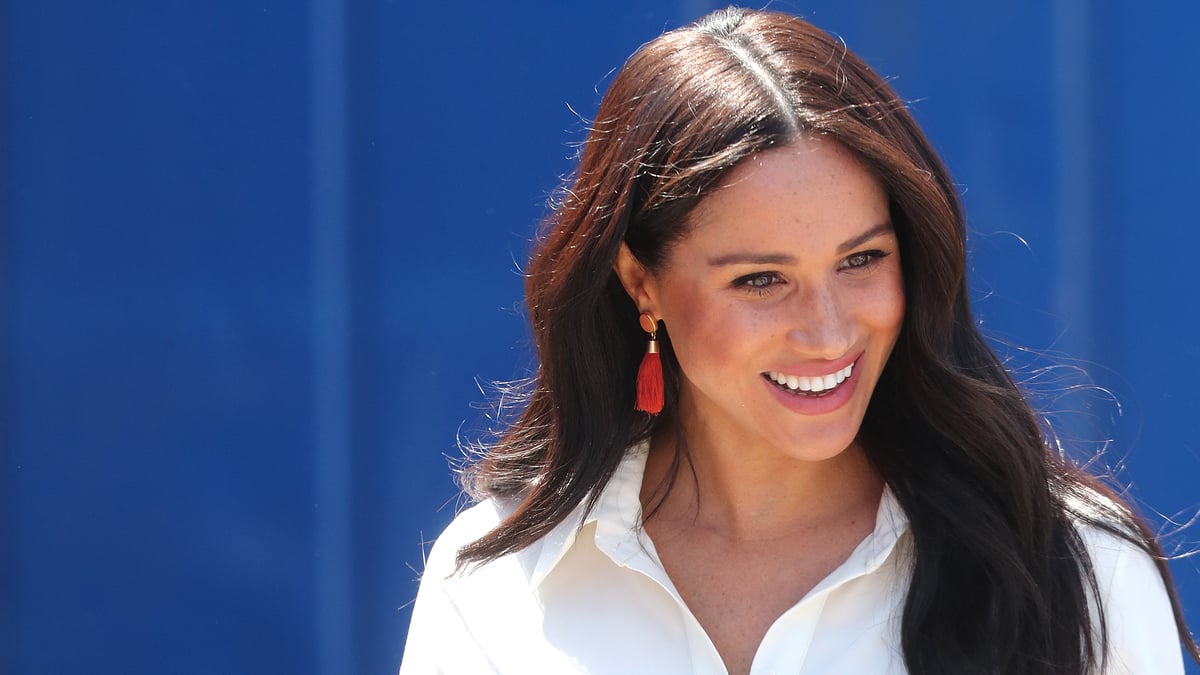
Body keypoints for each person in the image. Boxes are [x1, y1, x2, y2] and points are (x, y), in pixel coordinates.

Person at [400, 7, 1198, 674]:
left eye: (861, 259)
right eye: (760, 279)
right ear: (642, 283)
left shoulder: (1076, 567)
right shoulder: (498, 581)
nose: (827, 330)